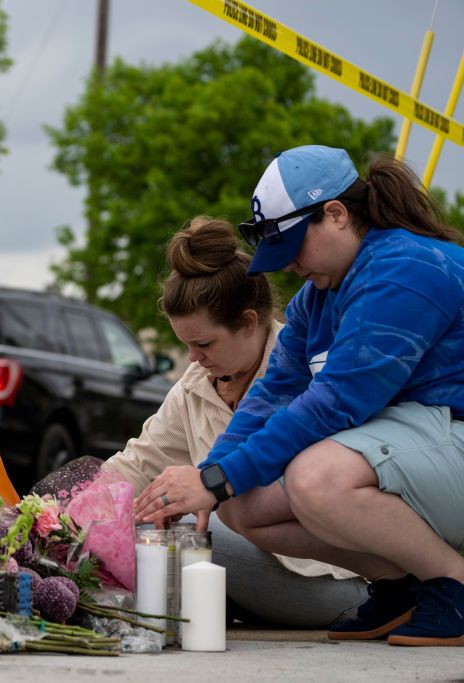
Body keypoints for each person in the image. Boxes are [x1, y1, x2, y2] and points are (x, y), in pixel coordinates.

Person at [135, 145, 464, 647]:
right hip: (433, 450)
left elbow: (336, 402)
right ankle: (405, 586)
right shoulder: (320, 297)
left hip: (452, 438)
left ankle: (453, 583)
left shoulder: (406, 268)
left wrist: (217, 477)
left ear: (335, 213)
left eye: (292, 245)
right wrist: (214, 478)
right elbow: (271, 396)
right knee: (239, 506)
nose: (287, 264)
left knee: (316, 476)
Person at [102, 215, 366, 628]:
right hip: (248, 577)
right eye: (185, 344)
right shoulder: (194, 388)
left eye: (204, 343)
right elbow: (135, 466)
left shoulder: (316, 375)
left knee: (181, 527)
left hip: (336, 579)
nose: (192, 358)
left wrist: (201, 489)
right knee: (126, 521)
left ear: (248, 322)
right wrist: (55, 514)